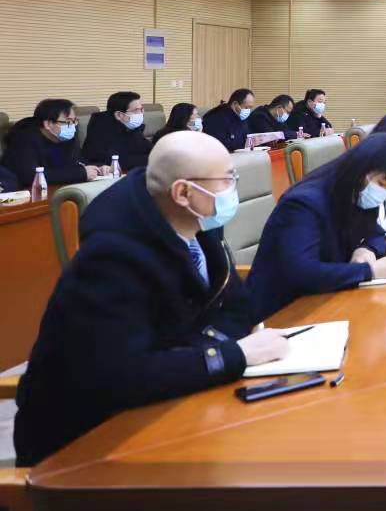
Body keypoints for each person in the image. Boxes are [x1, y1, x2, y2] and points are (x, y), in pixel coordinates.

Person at [13, 131, 289, 466]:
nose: (234, 189)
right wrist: (233, 354)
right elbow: (121, 375)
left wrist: (198, 351)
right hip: (88, 443)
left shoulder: (198, 225)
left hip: (170, 405)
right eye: (227, 179)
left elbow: (238, 307)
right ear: (183, 192)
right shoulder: (111, 259)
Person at [245, 133, 386, 321]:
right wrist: (369, 272)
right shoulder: (303, 204)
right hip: (282, 313)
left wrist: (366, 249)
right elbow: (301, 272)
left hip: (328, 300)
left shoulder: (354, 193)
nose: (381, 193)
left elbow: (379, 236)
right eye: (381, 184)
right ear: (361, 169)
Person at [1, 98, 103, 187]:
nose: (72, 126)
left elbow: (79, 161)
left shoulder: (66, 136)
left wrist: (98, 168)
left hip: (61, 188)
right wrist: (80, 173)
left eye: (74, 121)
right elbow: (30, 176)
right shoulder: (24, 138)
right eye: (68, 121)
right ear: (48, 124)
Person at [81, 91, 153, 172]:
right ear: (119, 115)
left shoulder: (131, 127)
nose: (141, 113)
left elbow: (148, 148)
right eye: (137, 110)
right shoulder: (101, 130)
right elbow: (120, 161)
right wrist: (154, 158)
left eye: (142, 109)